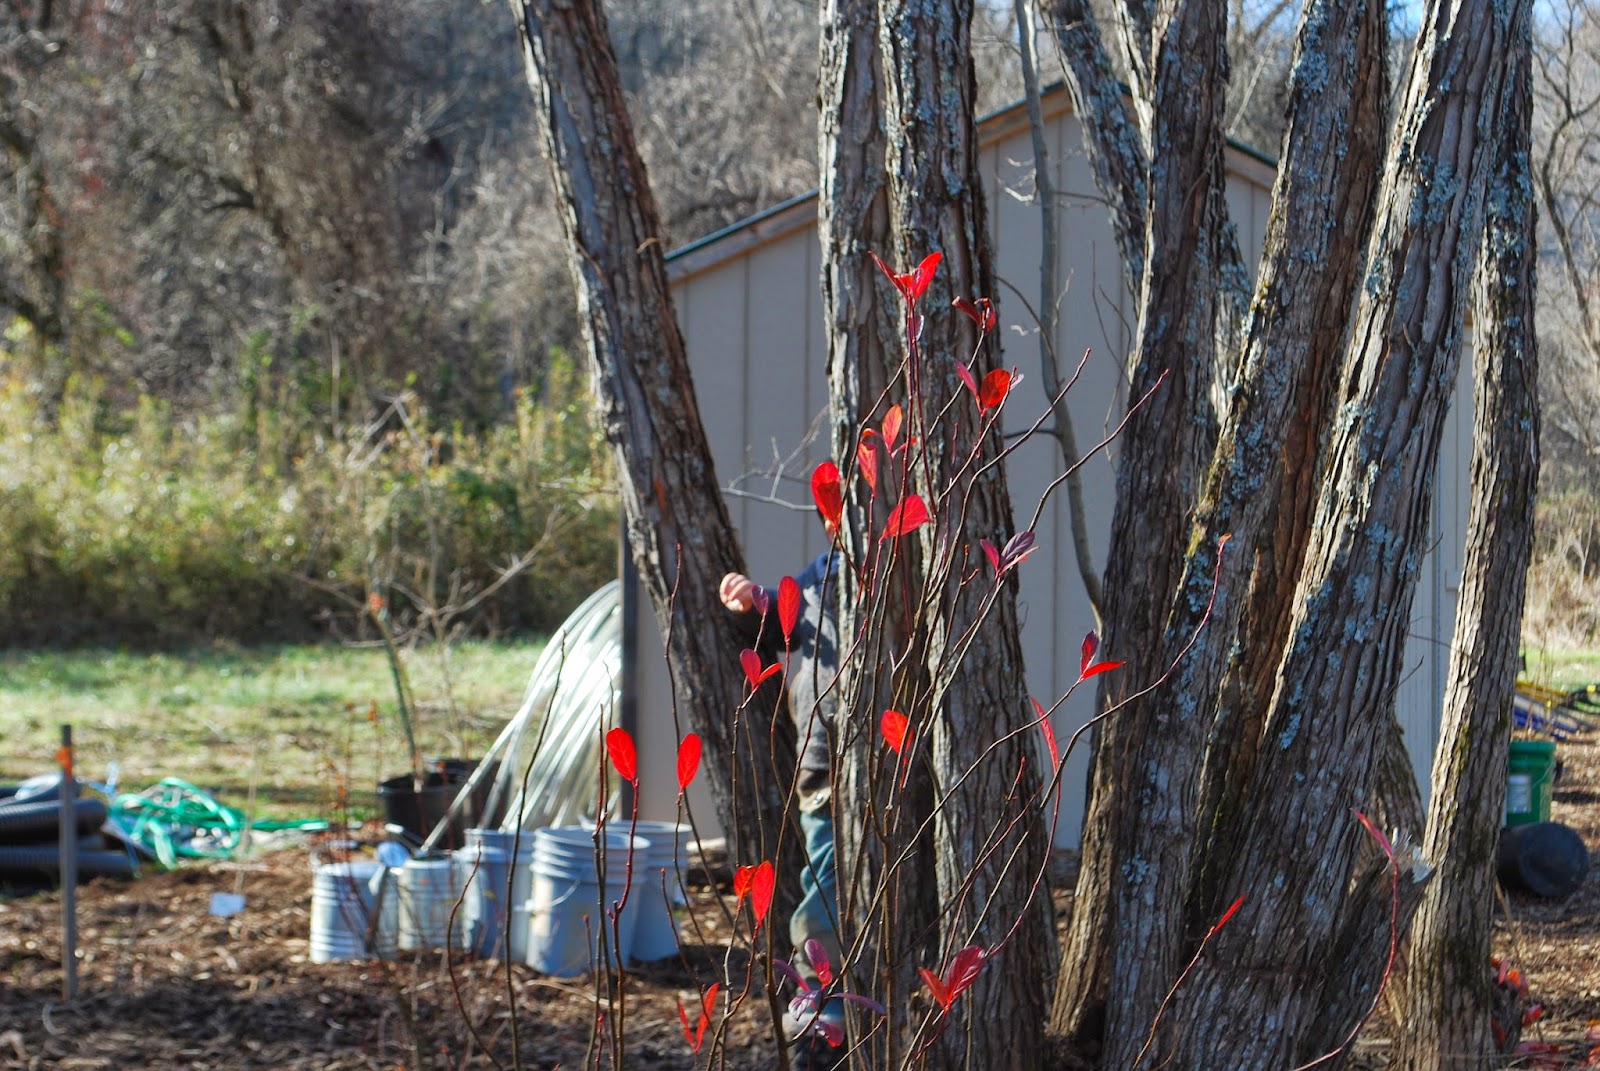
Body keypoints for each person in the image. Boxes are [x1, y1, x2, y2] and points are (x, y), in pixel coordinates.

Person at [720, 551, 844, 1067]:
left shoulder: (908, 566)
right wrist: (752, 605)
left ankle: (833, 998)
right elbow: (780, 628)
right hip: (821, 757)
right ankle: (823, 1000)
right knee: (826, 871)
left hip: (890, 757)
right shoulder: (822, 574)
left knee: (842, 879)